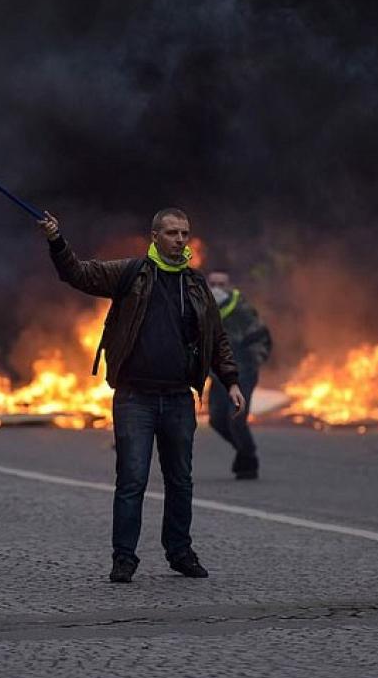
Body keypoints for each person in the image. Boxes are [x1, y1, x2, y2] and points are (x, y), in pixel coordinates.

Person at [37, 207, 244, 584]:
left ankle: (180, 552)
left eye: (184, 233)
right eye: (172, 233)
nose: (180, 240)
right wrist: (56, 240)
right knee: (132, 479)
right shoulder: (131, 273)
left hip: (180, 398)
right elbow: (78, 274)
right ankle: (124, 559)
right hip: (135, 398)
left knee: (181, 480)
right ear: (155, 237)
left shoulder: (195, 285)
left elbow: (218, 337)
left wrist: (230, 380)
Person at [205, 269, 271, 480]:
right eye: (212, 284)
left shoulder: (242, 309)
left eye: (221, 284)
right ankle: (244, 452)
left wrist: (251, 363)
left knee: (236, 419)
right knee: (216, 420)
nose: (216, 289)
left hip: (242, 374)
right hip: (218, 376)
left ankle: (248, 459)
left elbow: (262, 339)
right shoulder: (201, 309)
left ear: (230, 286)